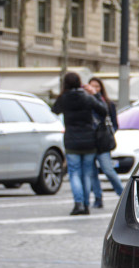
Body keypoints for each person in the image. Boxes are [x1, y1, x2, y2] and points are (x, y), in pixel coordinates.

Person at [51, 71, 107, 216]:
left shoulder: (64, 98)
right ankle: (87, 205)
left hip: (71, 141)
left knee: (74, 173)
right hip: (89, 140)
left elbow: (54, 110)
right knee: (87, 174)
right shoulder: (86, 98)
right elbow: (103, 110)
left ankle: (78, 204)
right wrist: (94, 94)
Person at [85, 77, 124, 208]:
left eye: (97, 86)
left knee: (108, 170)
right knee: (92, 173)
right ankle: (98, 198)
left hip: (102, 142)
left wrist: (109, 133)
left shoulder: (107, 103)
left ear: (101, 88)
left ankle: (123, 196)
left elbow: (114, 123)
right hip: (89, 141)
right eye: (92, 86)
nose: (95, 89)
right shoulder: (85, 102)